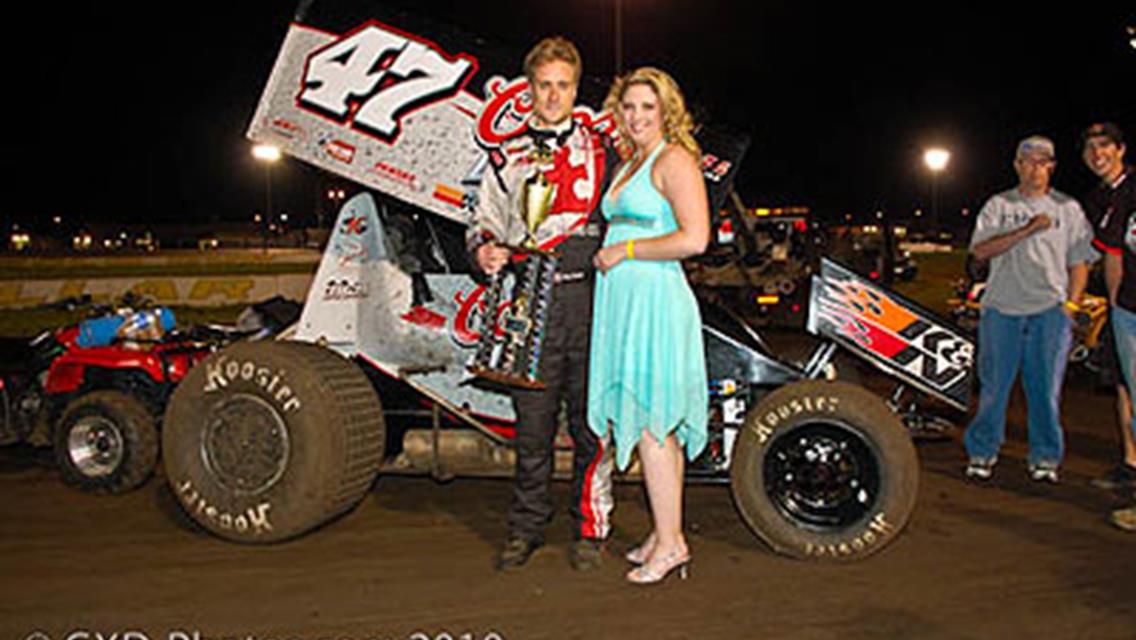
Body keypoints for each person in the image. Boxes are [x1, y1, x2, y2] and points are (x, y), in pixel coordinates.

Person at [467, 36, 616, 572]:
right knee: (531, 430)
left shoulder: (604, 149)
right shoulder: (504, 155)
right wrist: (482, 248)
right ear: (528, 91)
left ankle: (591, 530)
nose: (553, 95)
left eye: (563, 86)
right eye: (544, 86)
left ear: (576, 90)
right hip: (529, 303)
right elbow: (482, 219)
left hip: (592, 301)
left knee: (590, 427)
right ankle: (526, 528)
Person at [588, 67, 709, 584]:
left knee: (654, 424)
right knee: (652, 425)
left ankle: (673, 543)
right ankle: (665, 534)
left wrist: (627, 248)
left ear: (666, 113)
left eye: (647, 107)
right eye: (629, 106)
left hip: (655, 300)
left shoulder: (674, 159)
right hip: (625, 300)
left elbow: (696, 239)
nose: (636, 116)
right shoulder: (630, 160)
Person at [963, 135, 1097, 483]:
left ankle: (1045, 457)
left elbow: (1080, 261)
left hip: (1050, 311)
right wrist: (1027, 229)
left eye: (1042, 162)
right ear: (1017, 165)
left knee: (1045, 389)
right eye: (1028, 161)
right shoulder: (999, 205)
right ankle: (982, 451)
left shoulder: (1068, 209)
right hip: (1001, 308)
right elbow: (980, 251)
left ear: (1051, 166)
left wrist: (1071, 304)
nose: (1035, 168)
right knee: (994, 386)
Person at [1083, 122, 1136, 531]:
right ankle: (1131, 466)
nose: (1098, 153)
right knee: (1127, 388)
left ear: (1121, 149)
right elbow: (1112, 256)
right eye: (1092, 147)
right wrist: (1117, 310)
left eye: (1106, 146)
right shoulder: (1101, 198)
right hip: (1128, 309)